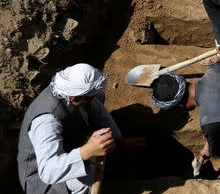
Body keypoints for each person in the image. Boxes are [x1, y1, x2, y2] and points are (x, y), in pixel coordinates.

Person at [17, 63, 145, 194]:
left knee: (98, 98)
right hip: (41, 181)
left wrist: (120, 139)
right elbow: (48, 172)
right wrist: (86, 151)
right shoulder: (47, 121)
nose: (93, 99)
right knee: (88, 182)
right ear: (74, 98)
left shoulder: (74, 92)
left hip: (67, 145)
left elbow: (99, 112)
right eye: (90, 98)